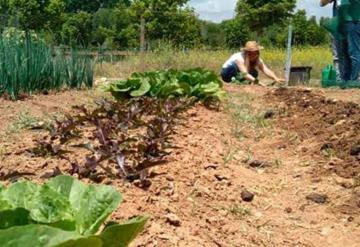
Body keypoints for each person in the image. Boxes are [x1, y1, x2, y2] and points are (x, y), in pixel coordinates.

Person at [321, 0, 360, 82]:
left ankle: (353, 80)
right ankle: (345, 80)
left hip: (353, 21)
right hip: (340, 22)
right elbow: (322, 3)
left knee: (353, 52)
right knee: (342, 54)